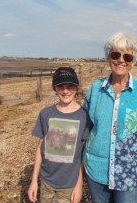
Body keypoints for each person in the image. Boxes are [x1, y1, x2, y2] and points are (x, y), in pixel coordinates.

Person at [82, 31, 137, 203]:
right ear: (108, 57)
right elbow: (84, 130)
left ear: (133, 62)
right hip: (96, 169)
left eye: (127, 57)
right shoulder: (95, 89)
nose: (121, 60)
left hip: (131, 171)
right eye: (115, 54)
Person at [27, 67, 92, 203]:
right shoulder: (45, 114)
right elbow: (40, 148)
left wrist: (79, 185)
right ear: (54, 88)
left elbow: (83, 155)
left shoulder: (84, 117)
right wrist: (34, 181)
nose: (66, 91)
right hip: (46, 182)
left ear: (77, 87)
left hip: (69, 185)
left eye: (70, 86)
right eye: (61, 86)